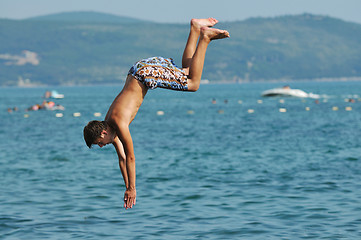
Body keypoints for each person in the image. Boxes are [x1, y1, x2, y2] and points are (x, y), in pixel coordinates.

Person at [83, 18, 230, 210]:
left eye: (99, 144)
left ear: (102, 133)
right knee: (187, 71)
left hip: (146, 74)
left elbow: (131, 157)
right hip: (139, 70)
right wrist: (127, 187)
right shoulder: (110, 123)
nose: (102, 146)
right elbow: (122, 159)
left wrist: (133, 189)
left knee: (193, 84)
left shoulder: (119, 124)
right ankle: (195, 28)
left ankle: (205, 37)